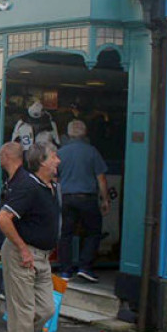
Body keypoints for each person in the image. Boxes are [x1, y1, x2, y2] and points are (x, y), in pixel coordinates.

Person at [0, 141, 60, 332]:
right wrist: (22, 249)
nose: (58, 161)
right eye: (54, 156)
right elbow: (2, 218)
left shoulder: (51, 187)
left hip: (41, 257)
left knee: (46, 310)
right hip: (23, 255)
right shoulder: (28, 187)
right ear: (41, 161)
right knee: (23, 313)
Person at [56, 120, 109, 282]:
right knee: (93, 233)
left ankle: (65, 271)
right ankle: (85, 267)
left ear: (68, 134)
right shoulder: (92, 152)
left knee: (66, 234)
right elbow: (101, 179)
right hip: (87, 198)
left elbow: (54, 177)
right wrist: (105, 199)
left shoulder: (60, 153)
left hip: (66, 198)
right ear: (85, 133)